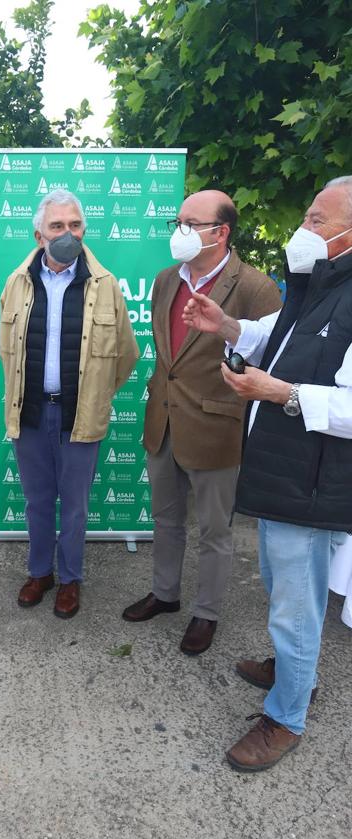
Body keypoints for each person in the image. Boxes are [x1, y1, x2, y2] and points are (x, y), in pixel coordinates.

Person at [182, 175, 352, 771]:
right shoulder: (318, 287)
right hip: (286, 474)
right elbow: (274, 340)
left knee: (296, 604)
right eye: (307, 216)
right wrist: (224, 326)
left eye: (317, 221)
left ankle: (286, 716)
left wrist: (280, 394)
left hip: (312, 482)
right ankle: (291, 670)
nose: (303, 229)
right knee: (288, 591)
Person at [122, 190, 281, 654]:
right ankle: (165, 594)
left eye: (192, 224)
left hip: (216, 427)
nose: (180, 232)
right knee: (166, 519)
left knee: (215, 530)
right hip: (164, 420)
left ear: (221, 232)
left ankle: (206, 612)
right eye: (178, 222)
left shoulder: (254, 288)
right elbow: (167, 356)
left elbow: (268, 361)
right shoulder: (166, 280)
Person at [0, 189, 138, 619]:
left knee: (75, 506)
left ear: (84, 229)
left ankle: (71, 579)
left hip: (80, 414)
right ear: (38, 233)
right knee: (37, 501)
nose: (67, 233)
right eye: (57, 226)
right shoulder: (17, 283)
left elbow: (126, 354)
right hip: (33, 412)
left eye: (74, 225)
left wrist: (96, 394)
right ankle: (40, 573)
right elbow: (8, 349)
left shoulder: (105, 284)